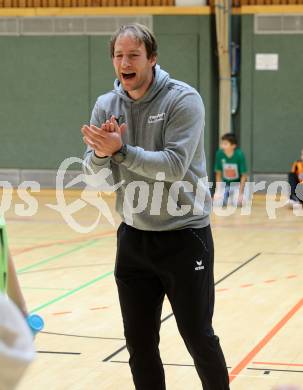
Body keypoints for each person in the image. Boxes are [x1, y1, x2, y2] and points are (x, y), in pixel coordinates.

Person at [81, 23, 230, 390]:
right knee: (140, 345)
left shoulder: (183, 99)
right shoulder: (107, 105)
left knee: (198, 337)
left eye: (133, 55)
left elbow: (174, 165)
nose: (124, 62)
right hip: (134, 239)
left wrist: (121, 151)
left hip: (185, 236)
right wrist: (100, 154)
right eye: (118, 55)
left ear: (152, 58)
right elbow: (95, 177)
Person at [213, 133, 248, 207]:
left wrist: (240, 194)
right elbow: (218, 174)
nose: (223, 146)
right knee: (217, 203)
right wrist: (217, 191)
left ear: (233, 146)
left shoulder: (239, 155)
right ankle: (227, 198)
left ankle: (234, 197)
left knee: (238, 203)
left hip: (237, 184)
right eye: (222, 143)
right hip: (225, 184)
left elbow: (244, 176)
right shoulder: (219, 154)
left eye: (225, 144)